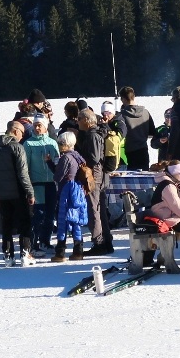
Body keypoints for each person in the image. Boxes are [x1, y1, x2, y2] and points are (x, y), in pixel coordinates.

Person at [0, 120, 36, 265]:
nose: (22, 136)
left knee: (6, 224)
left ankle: (8, 255)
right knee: (24, 222)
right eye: (22, 132)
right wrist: (30, 192)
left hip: (1, 191)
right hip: (18, 191)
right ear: (15, 131)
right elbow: (23, 174)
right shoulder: (17, 147)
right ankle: (25, 254)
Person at [75, 107, 113, 255]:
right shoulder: (98, 133)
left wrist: (79, 157)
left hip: (94, 176)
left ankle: (99, 243)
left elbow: (94, 158)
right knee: (100, 209)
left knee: (94, 210)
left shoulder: (92, 135)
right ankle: (106, 242)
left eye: (79, 119)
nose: (77, 121)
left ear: (86, 120)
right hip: (100, 175)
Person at [22, 113, 59, 254]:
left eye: (40, 125)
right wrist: (28, 184)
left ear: (45, 127)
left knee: (50, 214)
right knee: (39, 214)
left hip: (51, 183)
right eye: (35, 125)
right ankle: (35, 242)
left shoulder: (52, 142)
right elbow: (25, 166)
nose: (37, 128)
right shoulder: (28, 143)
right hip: (37, 183)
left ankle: (46, 241)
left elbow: (57, 162)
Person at [49, 131, 86, 261]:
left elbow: (58, 176)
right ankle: (78, 251)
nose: (59, 145)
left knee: (62, 220)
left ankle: (60, 252)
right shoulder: (77, 156)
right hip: (77, 189)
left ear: (65, 144)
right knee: (75, 220)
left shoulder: (65, 158)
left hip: (66, 190)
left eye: (60, 143)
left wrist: (50, 164)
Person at [117, 86, 156, 170]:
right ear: (133, 96)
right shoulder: (145, 112)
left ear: (123, 99)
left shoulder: (122, 115)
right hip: (143, 150)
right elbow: (152, 132)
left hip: (130, 152)